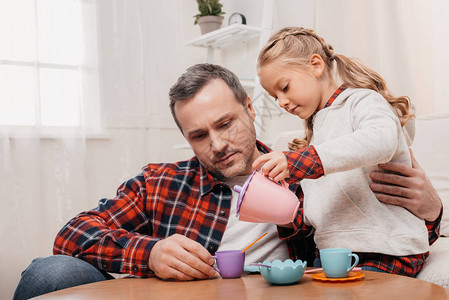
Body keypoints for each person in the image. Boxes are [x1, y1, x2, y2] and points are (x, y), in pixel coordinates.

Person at [13, 63, 442, 300]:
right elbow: (70, 236)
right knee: (50, 274)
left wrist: (431, 212)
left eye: (225, 123)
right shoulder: (161, 182)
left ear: (251, 110)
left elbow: (378, 233)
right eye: (199, 135)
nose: (217, 145)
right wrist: (151, 252)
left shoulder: (304, 175)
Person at [253, 27, 441, 276]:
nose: (282, 102)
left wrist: (302, 161)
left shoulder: (362, 101)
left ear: (316, 65)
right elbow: (320, 207)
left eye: (284, 87)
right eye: (274, 97)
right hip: (335, 253)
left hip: (385, 248)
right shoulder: (315, 134)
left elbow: (381, 140)